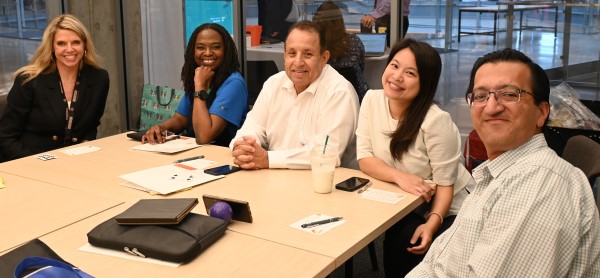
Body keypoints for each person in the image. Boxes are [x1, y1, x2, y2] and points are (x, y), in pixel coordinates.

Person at [408, 49, 600, 277]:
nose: (491, 107)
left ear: (541, 113)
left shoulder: (538, 183)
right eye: (480, 96)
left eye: (509, 94)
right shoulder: (498, 173)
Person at [356, 38, 474, 277]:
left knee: (409, 244)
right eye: (394, 66)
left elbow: (445, 185)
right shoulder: (371, 100)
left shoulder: (435, 121)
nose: (397, 77)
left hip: (450, 207)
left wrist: (432, 223)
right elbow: (365, 158)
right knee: (396, 242)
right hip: (407, 200)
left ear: (425, 82)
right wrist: (401, 177)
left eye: (410, 73)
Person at [230, 20, 359, 170]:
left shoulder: (339, 92)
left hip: (324, 185)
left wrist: (267, 159)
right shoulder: (273, 84)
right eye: (292, 53)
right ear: (284, 55)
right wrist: (244, 148)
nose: (298, 62)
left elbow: (326, 153)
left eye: (307, 54)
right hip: (273, 178)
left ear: (324, 58)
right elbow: (252, 127)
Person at [0, 14, 109, 162]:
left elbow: (91, 126)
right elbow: (5, 138)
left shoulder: (99, 78)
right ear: (51, 47)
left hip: (76, 163)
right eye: (61, 43)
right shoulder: (29, 80)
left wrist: (86, 148)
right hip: (30, 163)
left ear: (85, 45)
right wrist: (36, 164)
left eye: (76, 42)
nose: (69, 49)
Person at [142, 23, 248, 147]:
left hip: (224, 155)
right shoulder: (199, 75)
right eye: (201, 47)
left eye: (216, 47)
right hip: (196, 153)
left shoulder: (233, 83)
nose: (208, 53)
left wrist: (199, 87)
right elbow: (181, 118)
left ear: (226, 50)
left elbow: (204, 136)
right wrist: (161, 128)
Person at [313, 0, 369, 102]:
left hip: (322, 100)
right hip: (356, 99)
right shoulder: (355, 41)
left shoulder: (314, 46)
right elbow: (361, 69)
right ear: (340, 21)